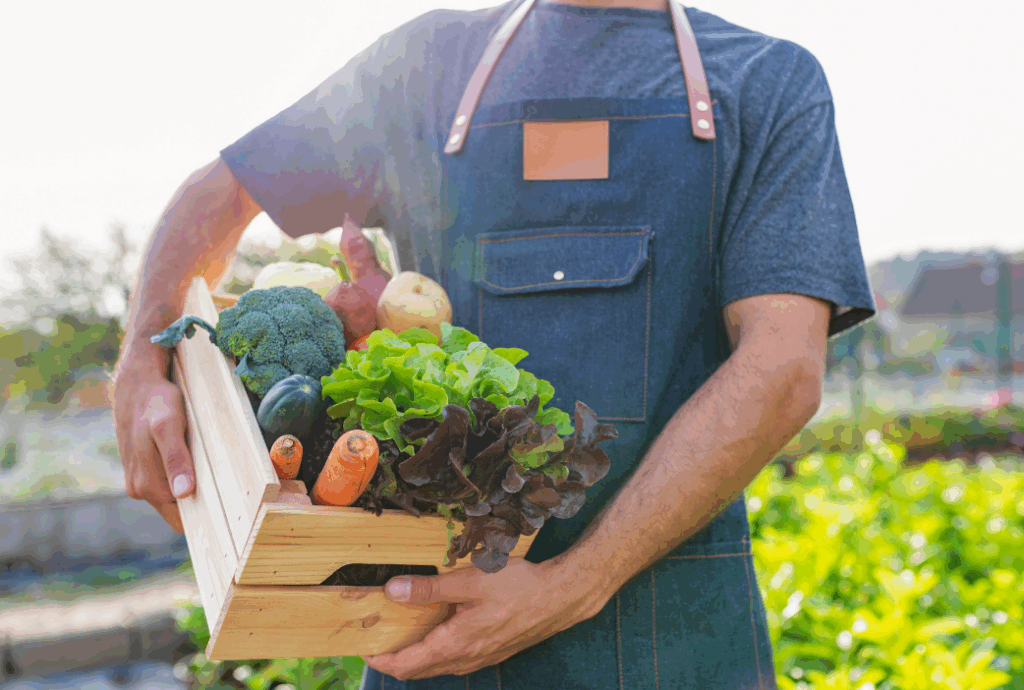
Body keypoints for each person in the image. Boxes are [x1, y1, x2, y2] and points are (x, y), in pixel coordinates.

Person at [111, 0, 876, 687]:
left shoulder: (767, 84)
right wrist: (143, 362)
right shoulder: (424, 66)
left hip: (676, 640)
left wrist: (572, 586)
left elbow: (782, 369)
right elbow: (221, 192)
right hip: (435, 632)